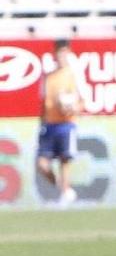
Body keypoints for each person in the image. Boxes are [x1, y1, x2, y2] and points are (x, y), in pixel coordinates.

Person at [36, 40, 84, 205]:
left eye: (64, 52)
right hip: (49, 125)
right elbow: (43, 102)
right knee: (42, 164)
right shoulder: (48, 77)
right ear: (55, 54)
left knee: (65, 159)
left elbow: (82, 102)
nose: (61, 56)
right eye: (59, 52)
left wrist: (72, 108)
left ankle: (65, 193)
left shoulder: (73, 75)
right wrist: (41, 123)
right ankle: (62, 188)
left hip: (66, 124)